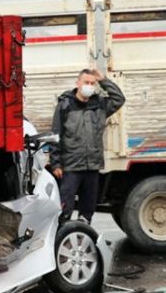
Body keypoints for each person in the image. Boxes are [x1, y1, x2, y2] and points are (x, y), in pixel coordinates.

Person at [49, 68, 125, 224]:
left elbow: (119, 99)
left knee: (87, 211)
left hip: (92, 167)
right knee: (64, 209)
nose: (89, 86)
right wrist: (56, 163)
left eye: (92, 83)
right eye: (86, 82)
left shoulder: (100, 105)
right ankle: (61, 238)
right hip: (71, 167)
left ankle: (82, 238)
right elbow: (56, 135)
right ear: (78, 83)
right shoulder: (65, 105)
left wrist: (103, 80)